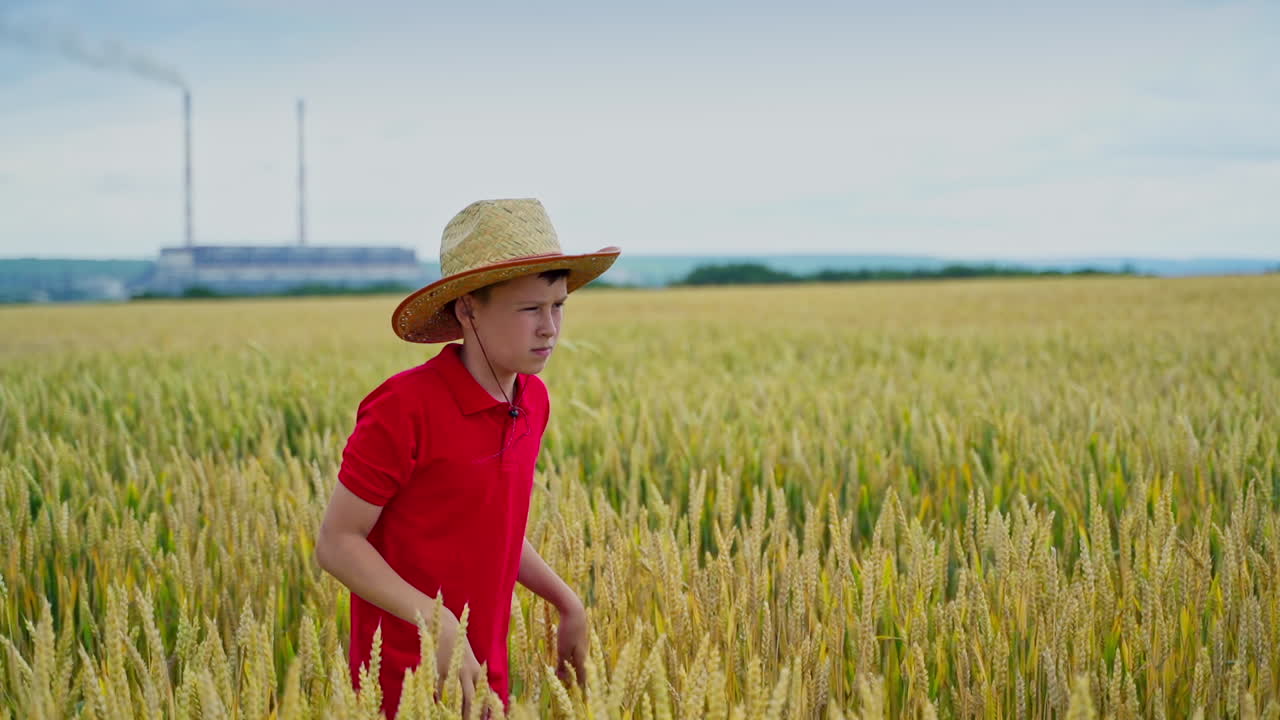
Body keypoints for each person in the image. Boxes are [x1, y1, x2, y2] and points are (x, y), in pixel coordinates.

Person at [315, 198, 621, 718]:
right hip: (401, 680)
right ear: (467, 308)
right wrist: (439, 623)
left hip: (483, 669)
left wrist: (565, 599)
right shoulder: (404, 408)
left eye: (559, 306)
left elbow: (492, 524)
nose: (550, 327)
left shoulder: (532, 400)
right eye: (530, 309)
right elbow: (338, 543)